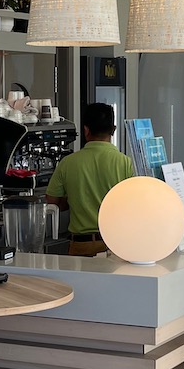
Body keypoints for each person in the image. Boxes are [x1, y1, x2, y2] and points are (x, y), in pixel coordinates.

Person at [46, 102, 135, 257]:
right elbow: (131, 205)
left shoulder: (68, 163)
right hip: (114, 246)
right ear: (113, 130)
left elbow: (52, 203)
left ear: (86, 130)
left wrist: (73, 199)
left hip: (81, 247)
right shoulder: (125, 162)